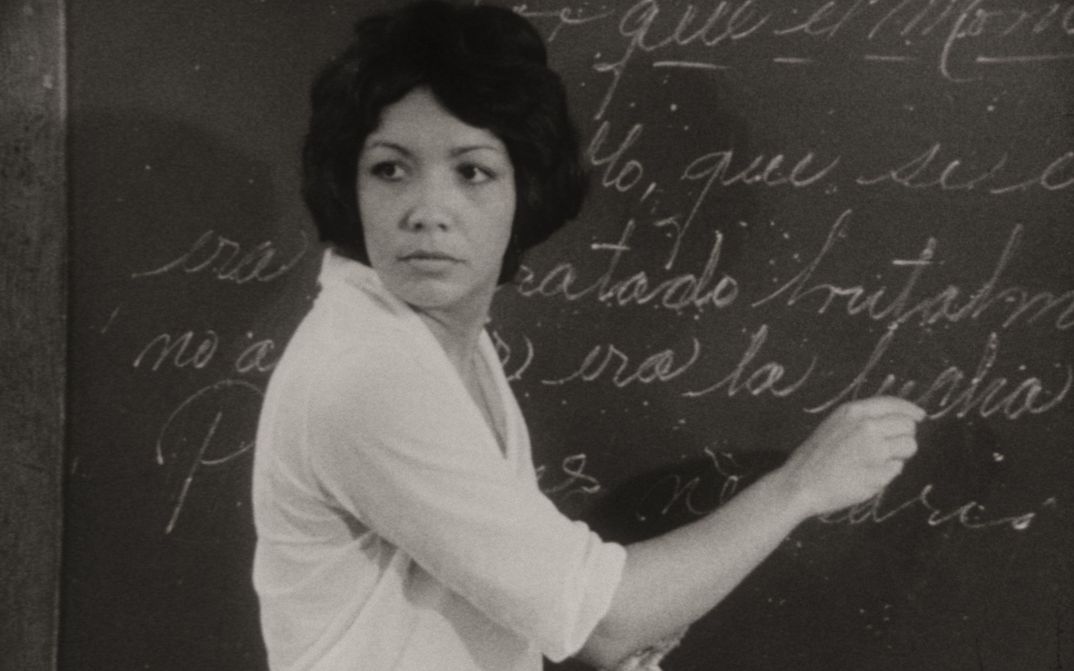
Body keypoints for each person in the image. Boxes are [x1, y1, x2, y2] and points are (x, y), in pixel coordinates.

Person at [250, 2, 925, 670]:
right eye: (390, 169)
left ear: (524, 190)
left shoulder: (438, 335)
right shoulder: (370, 372)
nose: (428, 212)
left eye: (471, 171)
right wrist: (802, 486)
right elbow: (602, 624)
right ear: (350, 186)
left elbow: (511, 606)